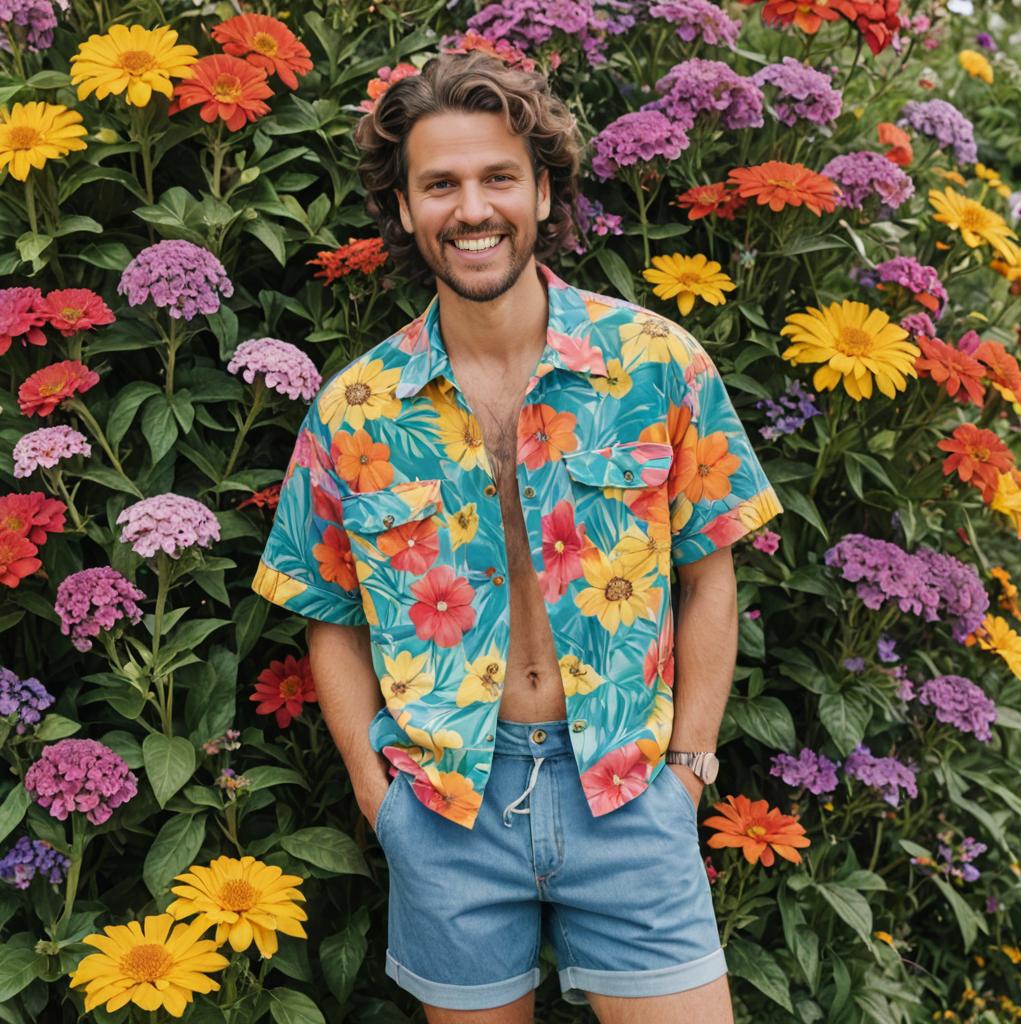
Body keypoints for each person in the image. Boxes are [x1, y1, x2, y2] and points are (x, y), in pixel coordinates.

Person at [252, 49, 783, 1024]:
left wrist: (690, 764)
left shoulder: (657, 362)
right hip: (447, 805)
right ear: (405, 209)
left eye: (498, 176)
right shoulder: (353, 411)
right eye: (440, 184)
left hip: (630, 789)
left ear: (542, 190)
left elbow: (710, 573)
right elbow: (329, 614)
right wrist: (382, 804)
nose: (472, 207)